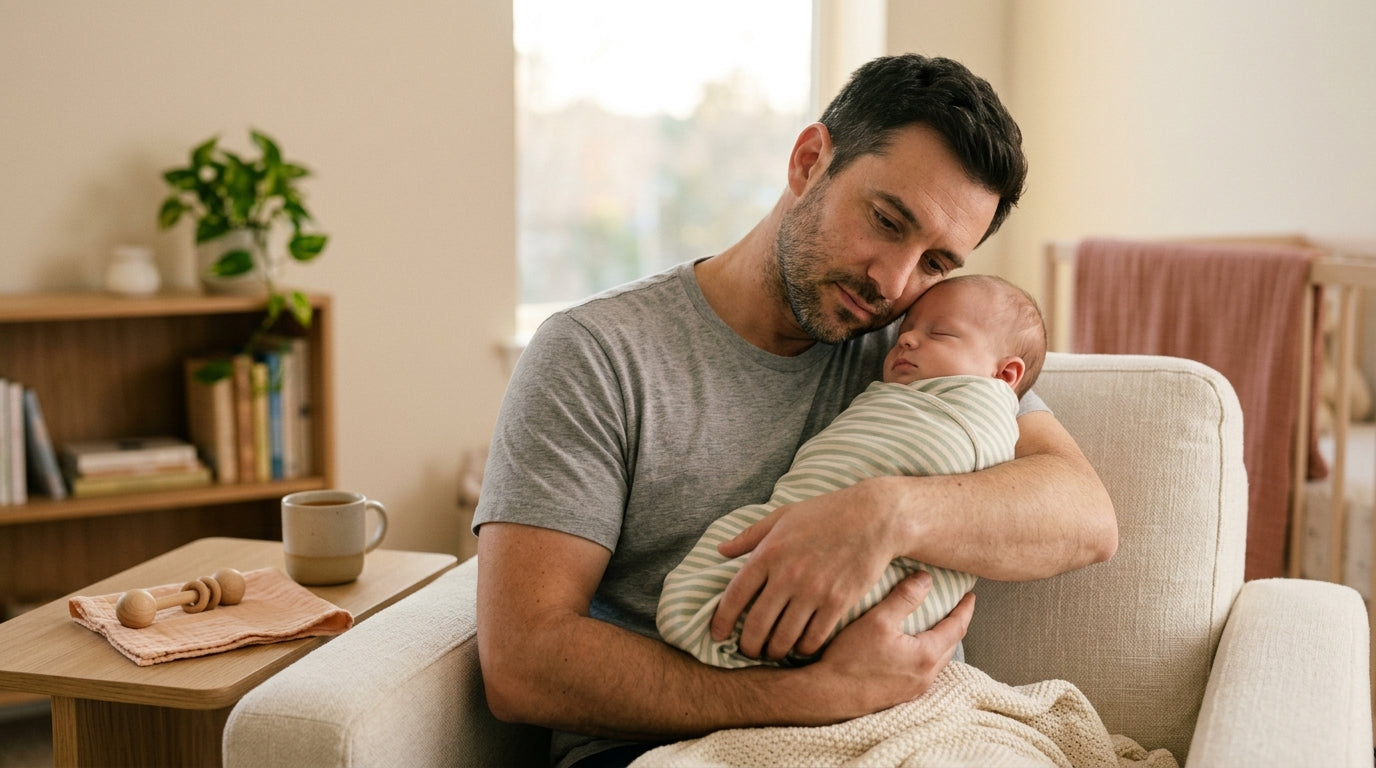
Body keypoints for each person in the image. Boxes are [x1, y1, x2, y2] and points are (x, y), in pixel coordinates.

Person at [474, 54, 1117, 768]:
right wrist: (815, 694)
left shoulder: (922, 349)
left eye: (936, 262)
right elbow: (523, 662)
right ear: (810, 160)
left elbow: (1085, 517)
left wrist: (884, 514)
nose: (894, 282)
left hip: (916, 736)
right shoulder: (597, 353)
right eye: (886, 220)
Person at [657, 274, 1046, 669]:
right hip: (791, 531)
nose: (906, 339)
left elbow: (1091, 522)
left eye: (940, 333)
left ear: (1005, 376)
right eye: (904, 332)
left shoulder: (977, 409)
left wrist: (887, 511)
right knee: (740, 549)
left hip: (893, 610)